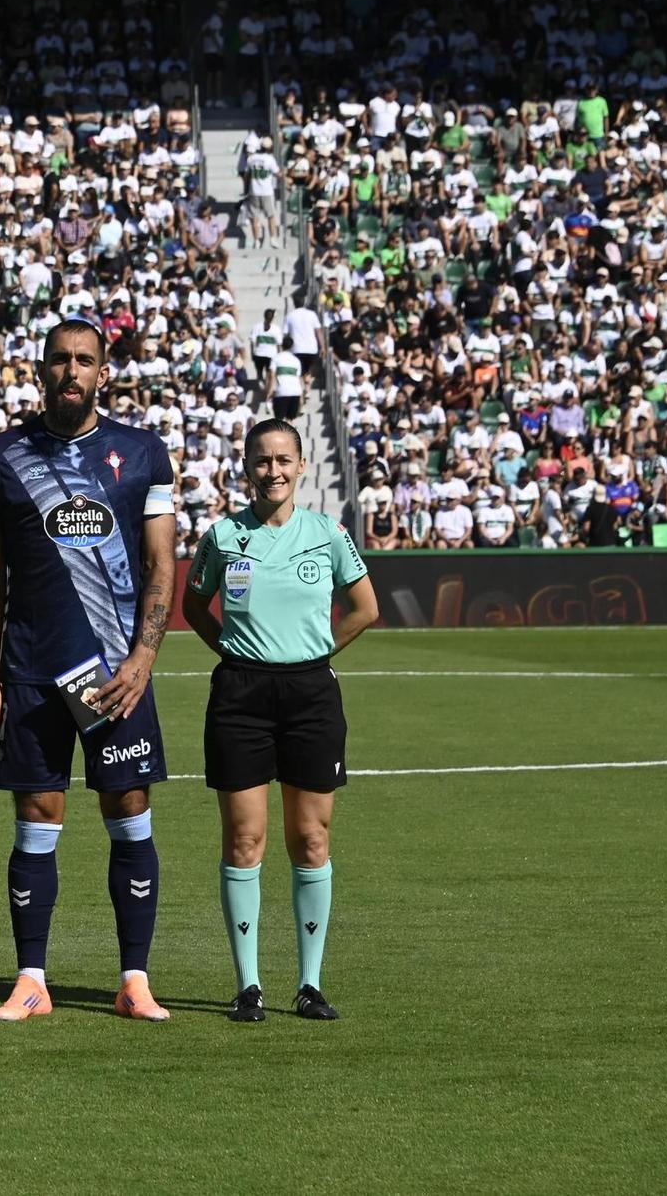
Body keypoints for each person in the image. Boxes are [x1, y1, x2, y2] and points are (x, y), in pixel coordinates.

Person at [0, 318, 179, 1023]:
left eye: (84, 360)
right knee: (36, 815)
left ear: (103, 372)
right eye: (59, 359)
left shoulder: (143, 451)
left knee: (128, 810)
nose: (71, 371)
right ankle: (32, 979)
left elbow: (159, 564)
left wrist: (144, 656)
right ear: (39, 369)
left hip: (115, 672)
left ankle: (134, 979)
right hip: (31, 671)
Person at [180, 418, 379, 1022]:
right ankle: (249, 986)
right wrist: (237, 654)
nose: (273, 471)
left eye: (283, 460)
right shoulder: (222, 536)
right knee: (245, 839)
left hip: (311, 694)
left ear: (301, 467)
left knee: (311, 838)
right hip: (240, 696)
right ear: (247, 469)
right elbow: (194, 605)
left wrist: (316, 653)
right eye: (262, 461)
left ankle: (310, 984)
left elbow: (364, 608)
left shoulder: (327, 534)